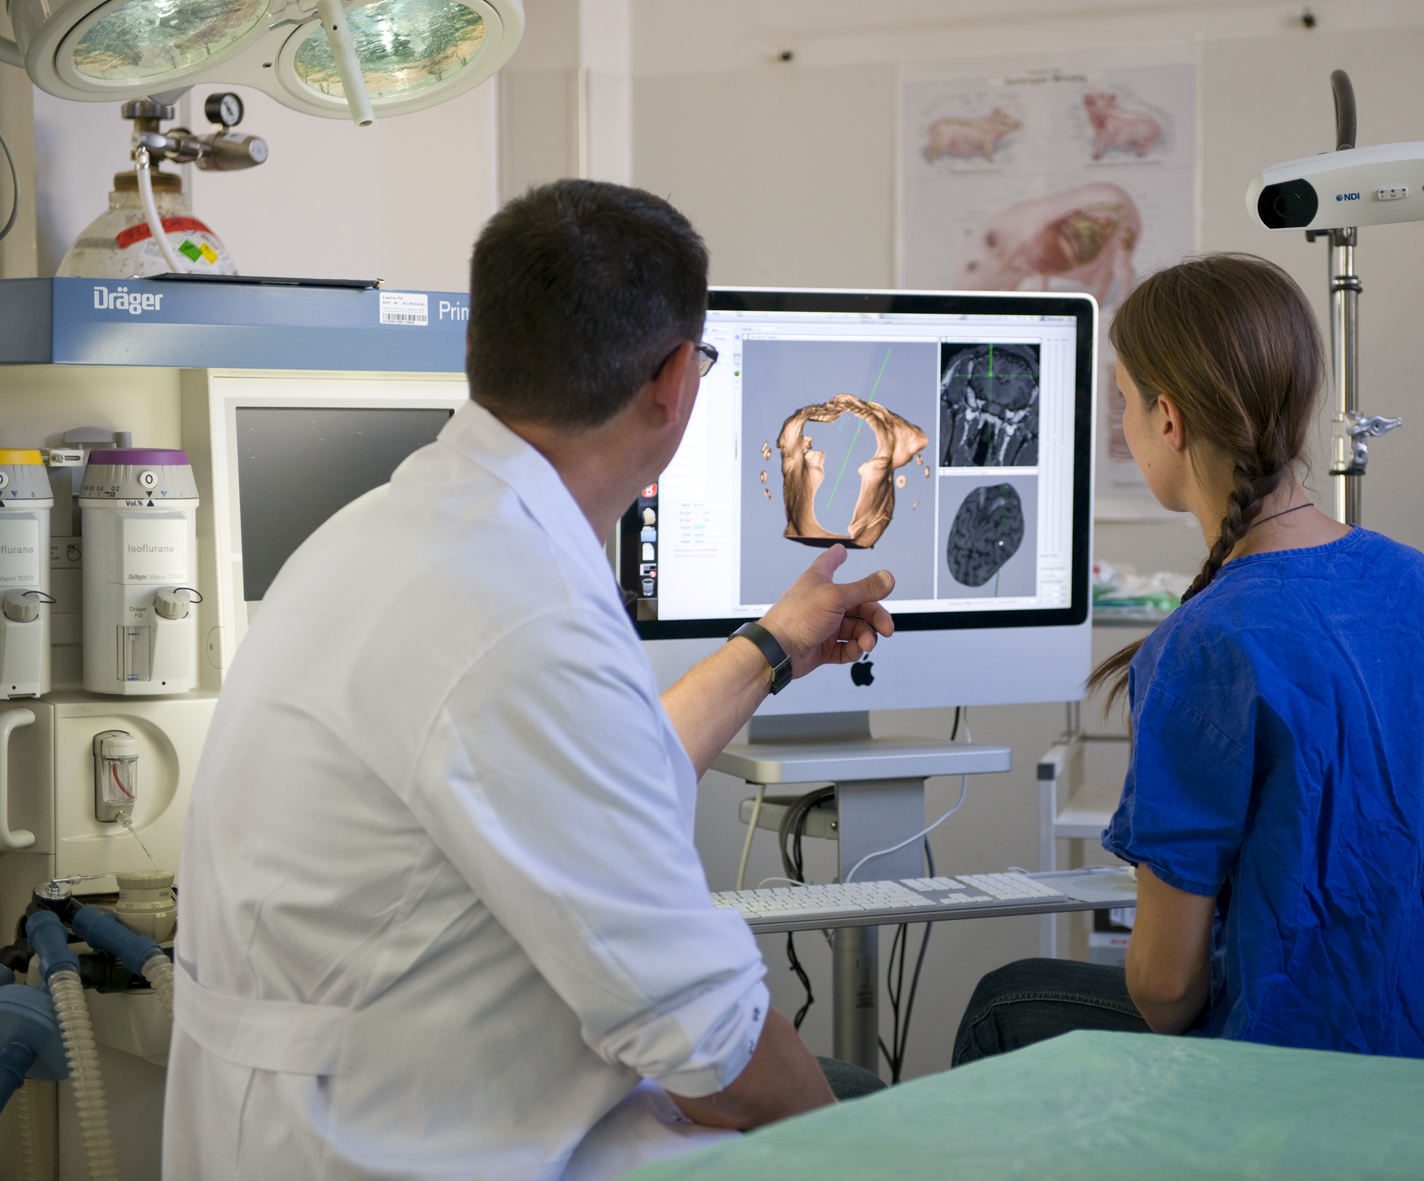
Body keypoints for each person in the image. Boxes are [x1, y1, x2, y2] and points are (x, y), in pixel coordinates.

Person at [164, 180, 894, 1180]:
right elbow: (710, 1045)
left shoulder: (393, 531)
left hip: (340, 1105)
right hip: (422, 1138)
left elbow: (586, 777)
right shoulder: (519, 604)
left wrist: (768, 646)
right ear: (675, 379)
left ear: (481, 349)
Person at [952, 254, 1424, 1069]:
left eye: (1123, 403)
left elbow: (1165, 993)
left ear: (1168, 420)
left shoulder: (1208, 646)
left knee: (1006, 1001)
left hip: (1286, 1092)